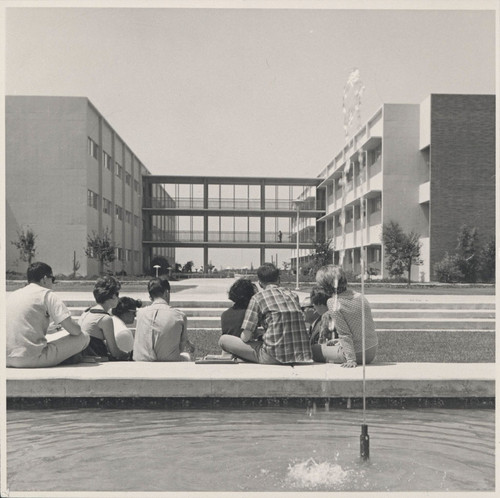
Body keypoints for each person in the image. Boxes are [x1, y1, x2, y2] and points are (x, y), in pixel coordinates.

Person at [219, 263, 313, 364]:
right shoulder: (293, 296)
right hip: (301, 355)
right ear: (278, 279)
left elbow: (245, 337)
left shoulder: (258, 298)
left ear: (259, 283)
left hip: (273, 357)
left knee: (224, 340)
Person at [6, 262, 90, 367]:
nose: (52, 283)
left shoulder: (13, 295)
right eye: (52, 279)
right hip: (30, 358)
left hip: (6, 358)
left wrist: (48, 329)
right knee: (83, 337)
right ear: (45, 278)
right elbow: (75, 331)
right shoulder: (47, 294)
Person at [315, 265, 378, 367]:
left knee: (313, 350)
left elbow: (344, 333)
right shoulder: (360, 296)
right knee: (332, 343)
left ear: (325, 286)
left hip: (356, 354)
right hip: (371, 350)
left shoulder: (332, 302)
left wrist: (351, 359)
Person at [133, 276, 195, 361]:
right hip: (168, 365)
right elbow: (180, 348)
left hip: (141, 363)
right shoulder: (179, 316)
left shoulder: (140, 313)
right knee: (186, 356)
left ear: (150, 297)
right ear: (166, 293)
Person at [79, 276, 130, 360]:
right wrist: (129, 355)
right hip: (97, 358)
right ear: (112, 296)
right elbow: (114, 351)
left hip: (84, 357)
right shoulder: (105, 318)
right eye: (117, 294)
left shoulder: (86, 312)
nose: (118, 298)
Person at [304, 286, 339, 362]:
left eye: (314, 304)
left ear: (320, 304)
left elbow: (322, 344)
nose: (314, 307)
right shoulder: (335, 313)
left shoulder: (327, 316)